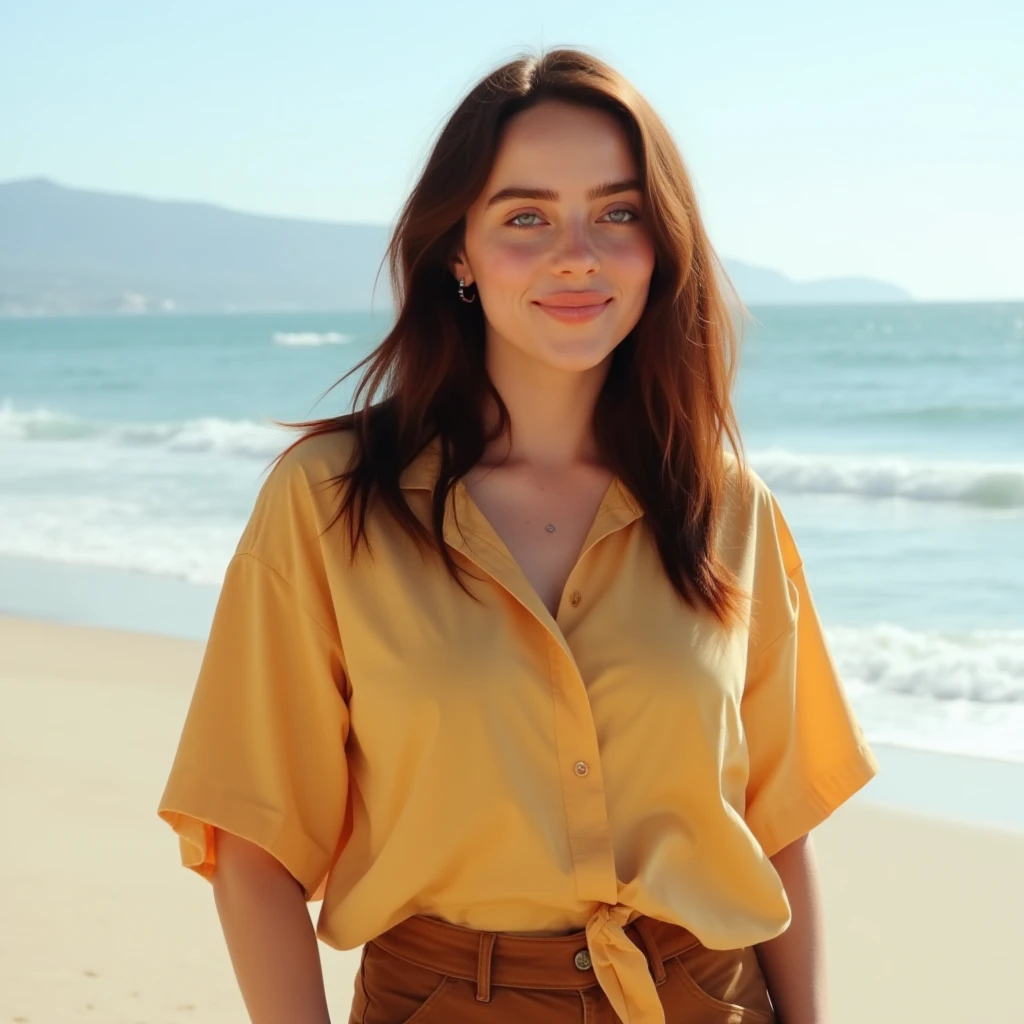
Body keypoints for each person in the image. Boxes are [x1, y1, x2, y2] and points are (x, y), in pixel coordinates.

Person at [157, 46, 878, 1024]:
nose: (577, 253)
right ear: (457, 248)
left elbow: (774, 829)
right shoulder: (328, 503)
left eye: (617, 213)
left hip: (708, 998)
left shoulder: (726, 506)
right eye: (525, 217)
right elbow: (253, 844)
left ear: (660, 242)